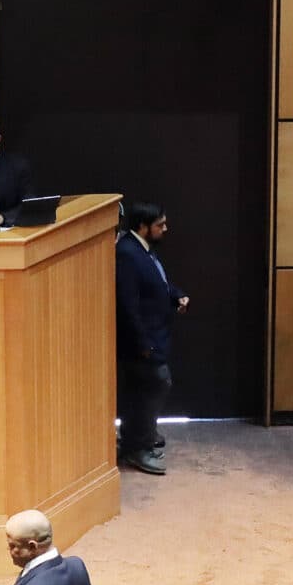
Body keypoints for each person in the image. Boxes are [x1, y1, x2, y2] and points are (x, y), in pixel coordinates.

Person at [115, 201, 189, 476]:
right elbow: (128, 305)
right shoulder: (127, 254)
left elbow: (158, 283)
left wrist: (176, 294)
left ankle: (140, 439)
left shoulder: (143, 250)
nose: (165, 229)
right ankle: (137, 447)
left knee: (146, 392)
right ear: (142, 227)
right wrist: (142, 343)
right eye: (160, 225)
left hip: (153, 337)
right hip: (141, 343)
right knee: (152, 388)